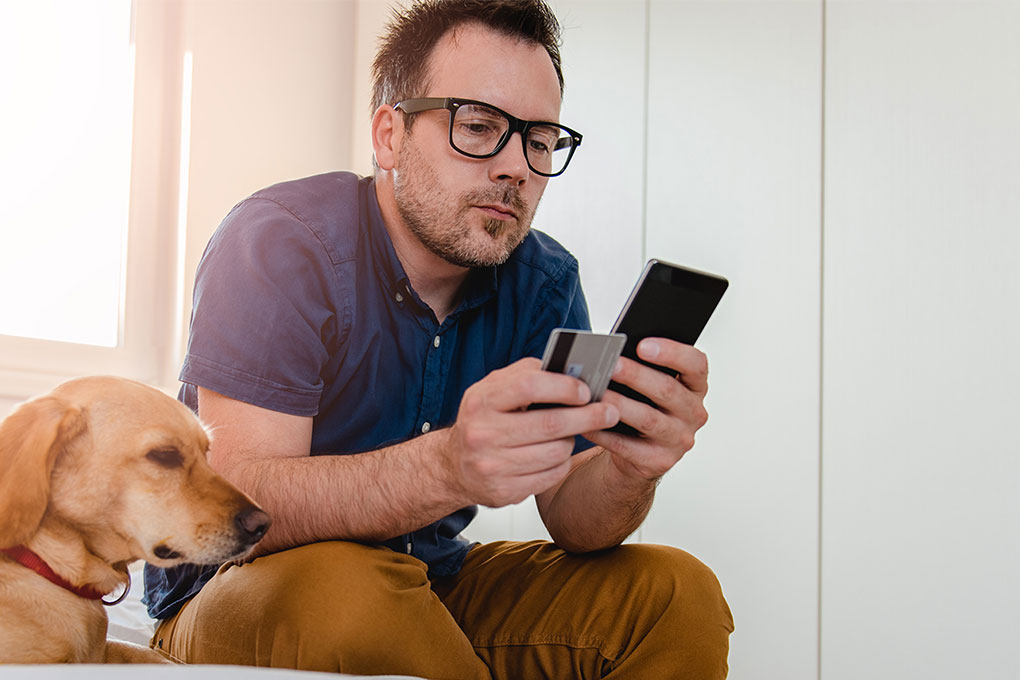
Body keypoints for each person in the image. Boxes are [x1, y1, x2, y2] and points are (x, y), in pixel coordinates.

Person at [143, 0, 733, 677]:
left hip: (433, 587)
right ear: (390, 135)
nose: (516, 166)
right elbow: (239, 496)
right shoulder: (281, 241)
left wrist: (632, 467)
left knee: (677, 594)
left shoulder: (545, 281)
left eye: (539, 141)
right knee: (348, 593)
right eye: (479, 127)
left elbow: (574, 518)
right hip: (245, 586)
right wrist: (445, 466)